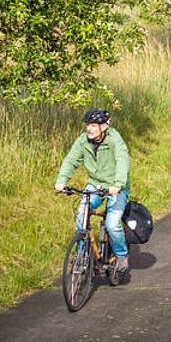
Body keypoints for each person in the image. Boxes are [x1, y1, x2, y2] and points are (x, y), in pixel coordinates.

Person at [55, 108, 130, 284]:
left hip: (115, 185)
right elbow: (71, 160)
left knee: (112, 224)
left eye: (93, 125)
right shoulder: (83, 141)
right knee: (82, 215)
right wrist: (61, 181)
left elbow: (122, 160)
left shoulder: (114, 139)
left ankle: (121, 256)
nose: (89, 129)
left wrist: (117, 184)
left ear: (103, 127)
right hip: (96, 183)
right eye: (88, 125)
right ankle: (82, 256)